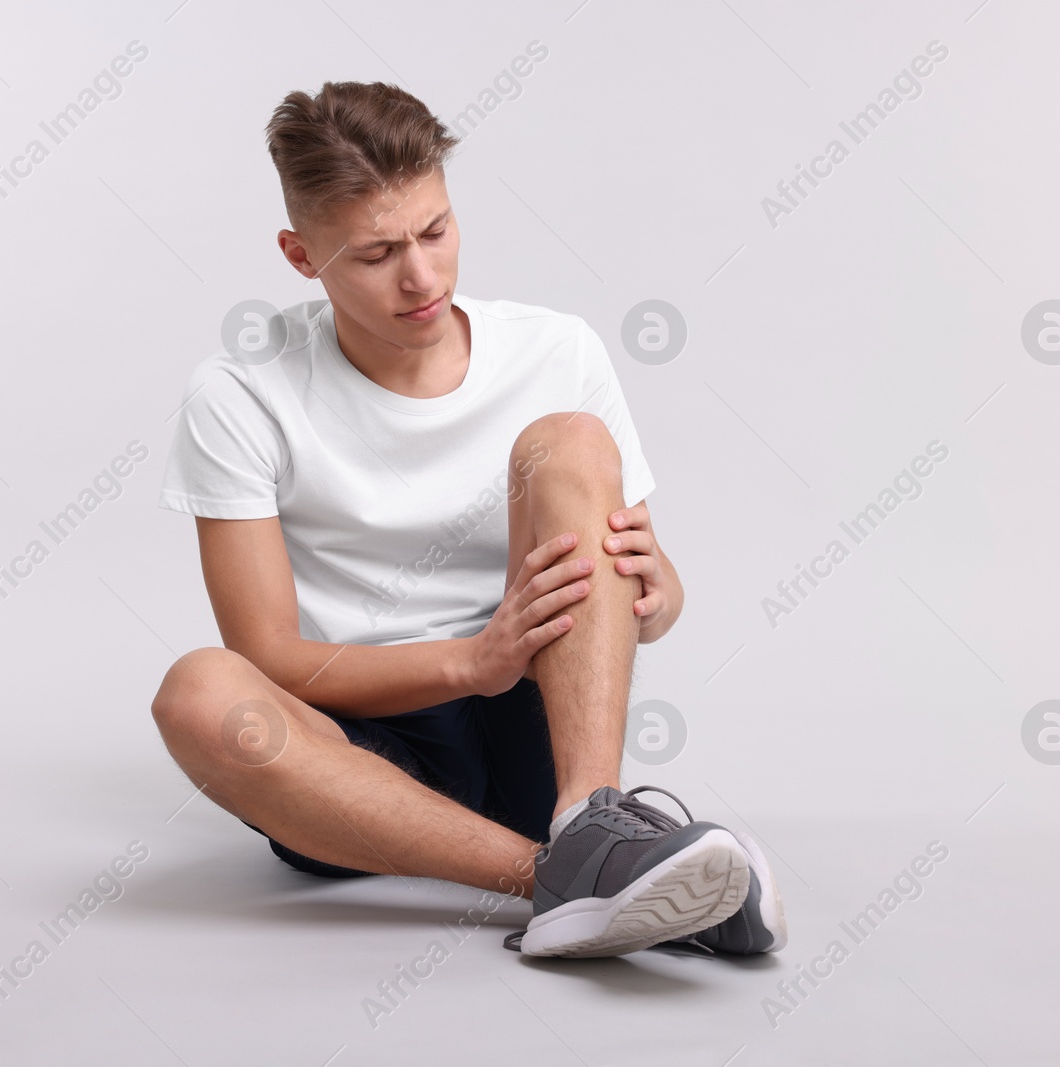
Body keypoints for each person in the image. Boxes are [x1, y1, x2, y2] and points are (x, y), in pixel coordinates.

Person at [151, 80, 785, 959]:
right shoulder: (240, 392)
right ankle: (576, 876)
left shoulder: (555, 349)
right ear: (302, 256)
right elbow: (267, 654)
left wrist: (662, 592)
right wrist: (468, 661)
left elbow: (643, 592)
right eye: (375, 254)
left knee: (567, 441)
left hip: (542, 722)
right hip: (358, 753)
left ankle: (593, 824)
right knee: (199, 689)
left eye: (437, 231)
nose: (423, 276)